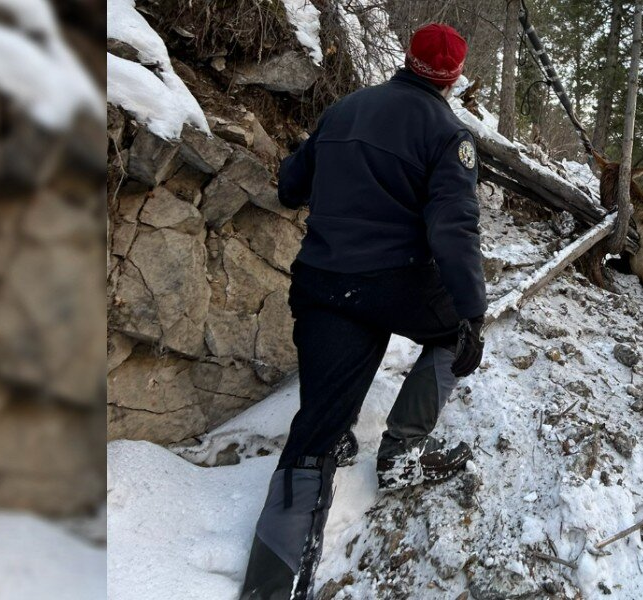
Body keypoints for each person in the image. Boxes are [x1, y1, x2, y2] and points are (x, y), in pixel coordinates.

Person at [238, 23, 486, 600]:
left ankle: (268, 589)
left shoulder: (345, 109)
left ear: (408, 59)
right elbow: (452, 228)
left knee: (314, 436)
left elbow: (289, 188)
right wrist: (473, 311)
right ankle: (402, 451)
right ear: (453, 77)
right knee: (456, 333)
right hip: (396, 284)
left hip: (323, 283)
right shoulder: (448, 132)